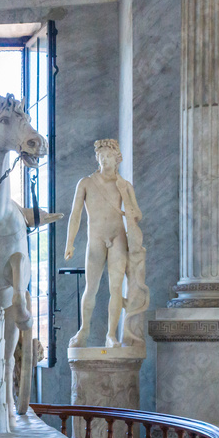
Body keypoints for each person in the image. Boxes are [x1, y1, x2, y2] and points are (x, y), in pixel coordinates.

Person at [64, 139, 148, 348]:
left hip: (117, 237)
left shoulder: (124, 186)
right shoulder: (86, 183)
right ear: (97, 158)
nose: (105, 159)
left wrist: (129, 211)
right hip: (96, 239)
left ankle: (111, 335)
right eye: (101, 156)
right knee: (90, 288)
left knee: (116, 287)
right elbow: (75, 215)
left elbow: (137, 213)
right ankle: (83, 331)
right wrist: (70, 243)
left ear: (117, 159)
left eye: (109, 156)